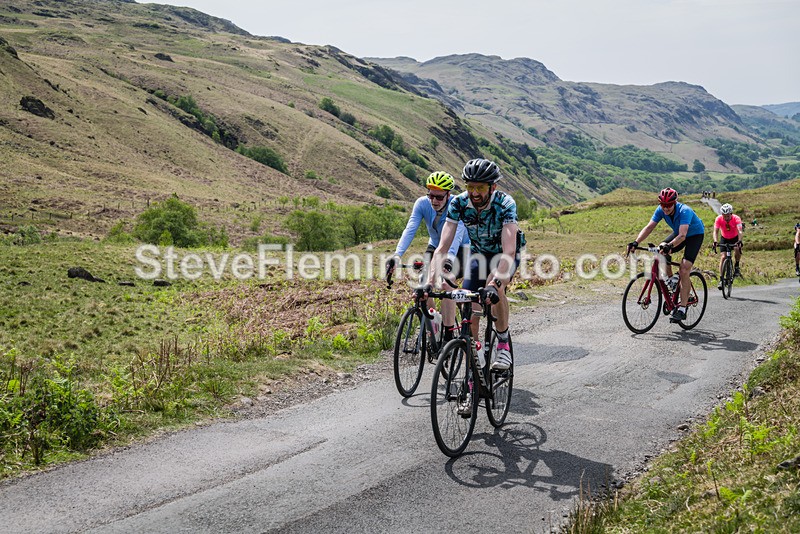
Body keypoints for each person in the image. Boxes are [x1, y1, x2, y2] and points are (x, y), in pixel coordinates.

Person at [426, 158, 524, 371]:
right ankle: (475, 357)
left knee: (494, 287)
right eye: (470, 187)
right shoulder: (459, 203)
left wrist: (494, 283)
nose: (474, 193)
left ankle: (503, 344)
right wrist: (431, 280)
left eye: (480, 188)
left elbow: (508, 251)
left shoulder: (505, 204)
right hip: (479, 255)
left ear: (492, 187)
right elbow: (442, 247)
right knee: (469, 305)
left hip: (505, 255)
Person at [385, 171, 470, 342]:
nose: (434, 201)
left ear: (448, 195)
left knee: (446, 280)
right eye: (431, 196)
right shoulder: (422, 204)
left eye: (439, 197)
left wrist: (447, 261)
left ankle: (448, 334)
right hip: (435, 245)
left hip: (460, 248)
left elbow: (456, 237)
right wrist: (397, 255)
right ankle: (434, 323)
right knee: (423, 283)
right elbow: (410, 229)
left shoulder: (457, 205)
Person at [627, 188, 705, 323]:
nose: (665, 208)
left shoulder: (685, 211)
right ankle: (674, 284)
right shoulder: (660, 210)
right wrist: (636, 242)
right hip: (679, 232)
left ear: (675, 203)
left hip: (694, 235)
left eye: (669, 205)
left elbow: (682, 235)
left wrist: (670, 246)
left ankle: (682, 309)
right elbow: (649, 227)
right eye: (663, 205)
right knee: (661, 249)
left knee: (684, 268)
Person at [712, 203, 743, 289]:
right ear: (722, 214)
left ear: (731, 214)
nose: (726, 218)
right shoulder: (718, 219)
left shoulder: (736, 218)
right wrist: (715, 241)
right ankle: (721, 279)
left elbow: (740, 231)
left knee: (737, 248)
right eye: (724, 216)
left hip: (735, 238)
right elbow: (715, 231)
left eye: (728, 216)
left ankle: (736, 266)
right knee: (723, 257)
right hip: (724, 238)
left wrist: (739, 241)